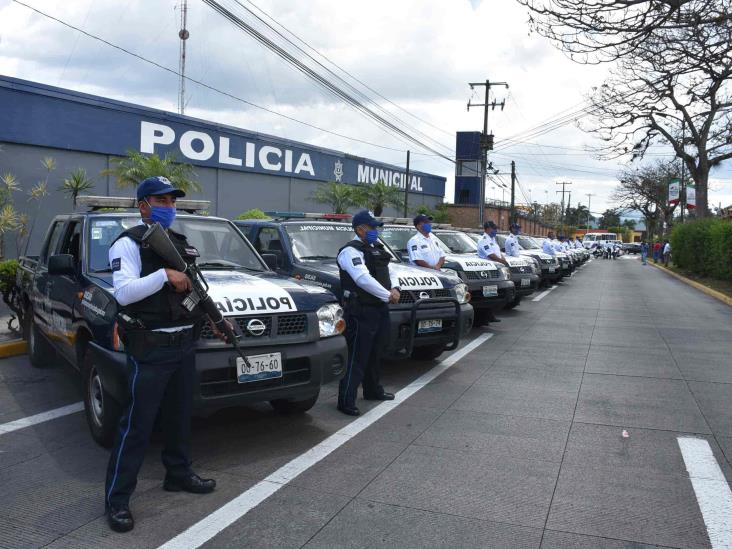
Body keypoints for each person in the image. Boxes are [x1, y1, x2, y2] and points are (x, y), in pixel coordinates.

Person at [105, 176, 219, 533]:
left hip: (184, 343)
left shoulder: (178, 242)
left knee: (179, 417)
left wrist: (214, 320)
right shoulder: (127, 244)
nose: (169, 207)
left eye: (172, 202)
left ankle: (178, 473)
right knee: (137, 427)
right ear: (143, 206)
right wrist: (165, 276)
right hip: (152, 348)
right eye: (161, 201)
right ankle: (117, 499)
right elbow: (123, 293)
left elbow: (194, 290)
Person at [336, 210, 399, 417]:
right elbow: (362, 279)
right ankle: (346, 400)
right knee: (358, 356)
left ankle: (373, 390)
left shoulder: (376, 249)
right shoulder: (350, 251)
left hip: (379, 308)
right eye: (372, 228)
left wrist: (395, 288)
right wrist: (387, 295)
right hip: (361, 310)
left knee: (376, 351)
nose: (376, 231)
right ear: (359, 229)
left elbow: (391, 271)